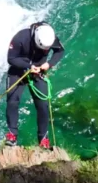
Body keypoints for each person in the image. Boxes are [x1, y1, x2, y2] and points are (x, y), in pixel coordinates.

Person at [5, 21, 65, 149]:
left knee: (43, 104)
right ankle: (12, 134)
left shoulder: (49, 37)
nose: (45, 51)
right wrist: (28, 66)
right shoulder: (21, 38)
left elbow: (59, 51)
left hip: (38, 70)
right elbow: (11, 58)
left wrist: (48, 64)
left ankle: (43, 138)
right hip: (18, 70)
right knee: (12, 100)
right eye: (42, 49)